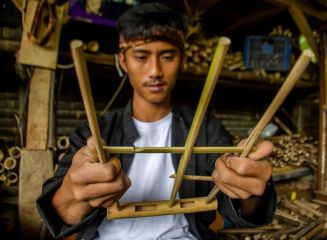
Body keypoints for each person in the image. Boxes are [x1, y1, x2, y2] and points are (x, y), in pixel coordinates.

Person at [37, 2, 276, 240]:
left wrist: (249, 188)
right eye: (141, 56)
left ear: (182, 60)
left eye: (167, 56)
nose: (155, 71)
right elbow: (60, 214)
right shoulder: (97, 131)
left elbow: (239, 209)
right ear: (122, 60)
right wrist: (73, 192)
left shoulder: (205, 129)